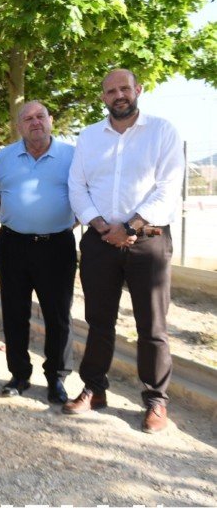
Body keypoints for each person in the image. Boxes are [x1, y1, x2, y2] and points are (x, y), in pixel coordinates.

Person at [65, 69, 183, 434]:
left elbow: (168, 187)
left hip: (148, 240)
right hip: (100, 241)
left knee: (153, 326)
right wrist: (101, 225)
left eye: (124, 88)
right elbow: (77, 186)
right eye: (111, 90)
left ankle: (155, 400)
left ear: (138, 91)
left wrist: (130, 226)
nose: (119, 95)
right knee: (99, 321)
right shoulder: (88, 137)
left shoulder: (162, 131)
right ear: (102, 97)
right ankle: (94, 388)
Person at [0, 101, 77, 404]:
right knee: (14, 313)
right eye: (27, 118)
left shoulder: (71, 156)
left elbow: (83, 200)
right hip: (13, 245)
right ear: (19, 126)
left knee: (58, 315)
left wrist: (57, 223)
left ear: (50, 120)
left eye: (40, 116)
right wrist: (18, 218)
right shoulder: (3, 158)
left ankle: (57, 379)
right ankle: (19, 375)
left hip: (57, 247)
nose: (35, 122)